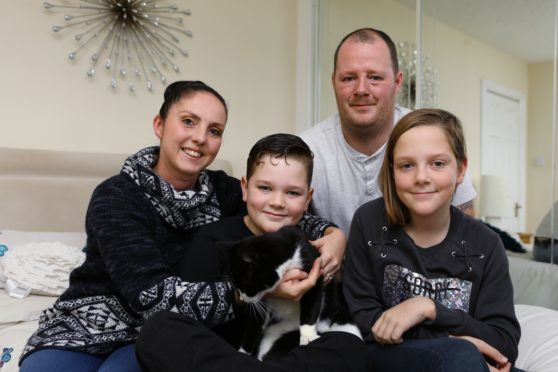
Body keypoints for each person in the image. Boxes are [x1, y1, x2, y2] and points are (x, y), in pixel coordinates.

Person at [18, 81, 345, 372]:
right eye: (188, 121)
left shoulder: (223, 190)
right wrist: (259, 292)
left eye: (214, 130)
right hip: (89, 324)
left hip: (161, 333)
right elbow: (150, 295)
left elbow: (279, 210)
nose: (200, 138)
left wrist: (332, 234)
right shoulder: (116, 197)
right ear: (159, 125)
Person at [136, 133, 369, 372]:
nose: (278, 202)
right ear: (245, 188)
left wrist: (336, 236)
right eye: (265, 188)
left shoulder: (312, 241)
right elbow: (188, 308)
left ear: (308, 198)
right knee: (158, 329)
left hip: (291, 351)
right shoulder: (215, 239)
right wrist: (265, 293)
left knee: (351, 346)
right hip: (226, 352)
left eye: (292, 193)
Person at [342, 108, 521, 372]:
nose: (421, 177)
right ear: (392, 171)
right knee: (460, 355)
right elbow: (365, 324)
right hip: (384, 357)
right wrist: (461, 343)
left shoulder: (486, 244)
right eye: (407, 165)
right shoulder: (368, 223)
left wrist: (428, 308)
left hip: (465, 363)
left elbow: (504, 344)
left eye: (437, 163)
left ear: (460, 170)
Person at [300, 27, 477, 235]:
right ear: (333, 82)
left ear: (398, 81)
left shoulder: (435, 138)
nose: (361, 90)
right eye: (348, 78)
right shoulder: (306, 151)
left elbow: (468, 232)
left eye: (375, 77)